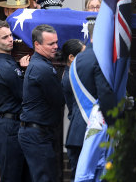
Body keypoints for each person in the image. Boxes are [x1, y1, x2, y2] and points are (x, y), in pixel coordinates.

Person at [18, 24, 65, 182]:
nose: (56, 47)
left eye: (56, 42)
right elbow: (59, 100)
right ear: (37, 45)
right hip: (37, 135)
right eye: (50, 44)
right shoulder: (42, 69)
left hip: (37, 133)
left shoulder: (41, 64)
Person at [0, 18, 30, 181]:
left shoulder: (9, 63)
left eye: (10, 35)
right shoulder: (3, 67)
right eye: (4, 37)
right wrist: (26, 73)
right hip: (9, 128)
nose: (10, 39)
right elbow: (23, 95)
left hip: (14, 126)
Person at [60, 39, 86, 181]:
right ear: (71, 57)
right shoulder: (71, 76)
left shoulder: (72, 73)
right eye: (83, 54)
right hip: (78, 130)